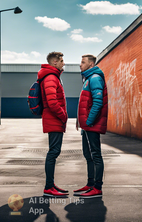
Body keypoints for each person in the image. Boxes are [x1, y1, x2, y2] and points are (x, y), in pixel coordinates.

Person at [74, 54, 108, 198]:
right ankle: (90, 184)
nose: (80, 65)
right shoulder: (88, 79)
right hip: (86, 125)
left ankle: (97, 188)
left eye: (83, 62)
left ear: (91, 64)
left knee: (95, 155)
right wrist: (79, 120)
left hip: (91, 124)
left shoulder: (94, 78)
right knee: (88, 155)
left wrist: (88, 121)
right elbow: (85, 103)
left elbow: (98, 103)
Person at [39, 52, 69, 197]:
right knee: (53, 152)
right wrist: (63, 116)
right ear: (55, 62)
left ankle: (51, 185)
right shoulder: (51, 77)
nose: (64, 63)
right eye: (62, 61)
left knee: (53, 152)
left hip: (54, 120)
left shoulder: (53, 77)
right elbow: (52, 103)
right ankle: (49, 187)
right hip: (54, 120)